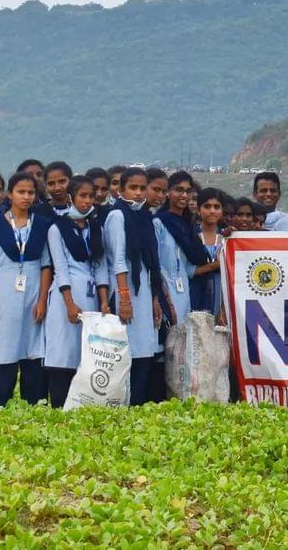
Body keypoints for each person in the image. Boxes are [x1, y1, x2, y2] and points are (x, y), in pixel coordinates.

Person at [0, 172, 52, 409]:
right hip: (3, 292)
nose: (26, 197)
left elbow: (45, 265)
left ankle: (34, 404)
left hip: (33, 292)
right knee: (3, 347)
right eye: (21, 192)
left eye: (31, 192)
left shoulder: (41, 225)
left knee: (32, 349)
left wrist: (42, 299)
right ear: (9, 194)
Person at [46, 175, 109, 408]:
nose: (87, 201)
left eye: (91, 196)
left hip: (92, 297)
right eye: (82, 196)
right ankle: (59, 405)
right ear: (71, 197)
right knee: (63, 352)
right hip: (67, 296)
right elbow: (60, 268)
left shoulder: (95, 227)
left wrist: (104, 302)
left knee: (87, 354)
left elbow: (101, 265)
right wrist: (70, 303)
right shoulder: (57, 227)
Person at [104, 167, 163, 405]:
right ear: (121, 189)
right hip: (124, 292)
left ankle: (136, 406)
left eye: (142, 188)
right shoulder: (117, 216)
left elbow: (150, 264)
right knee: (126, 355)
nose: (138, 194)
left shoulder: (144, 217)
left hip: (144, 292)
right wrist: (124, 299)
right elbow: (118, 260)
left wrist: (154, 300)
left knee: (144, 353)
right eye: (133, 188)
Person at [154, 171, 209, 326]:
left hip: (184, 291)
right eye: (179, 190)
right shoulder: (159, 223)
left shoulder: (188, 226)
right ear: (168, 193)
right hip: (164, 291)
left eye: (188, 191)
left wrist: (217, 265)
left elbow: (187, 268)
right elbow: (155, 265)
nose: (184, 195)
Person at [190, 189, 224, 316]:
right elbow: (187, 271)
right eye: (207, 206)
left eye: (217, 207)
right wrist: (214, 266)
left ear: (222, 210)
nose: (212, 211)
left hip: (221, 299)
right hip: (194, 294)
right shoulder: (190, 236)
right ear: (199, 210)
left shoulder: (227, 238)